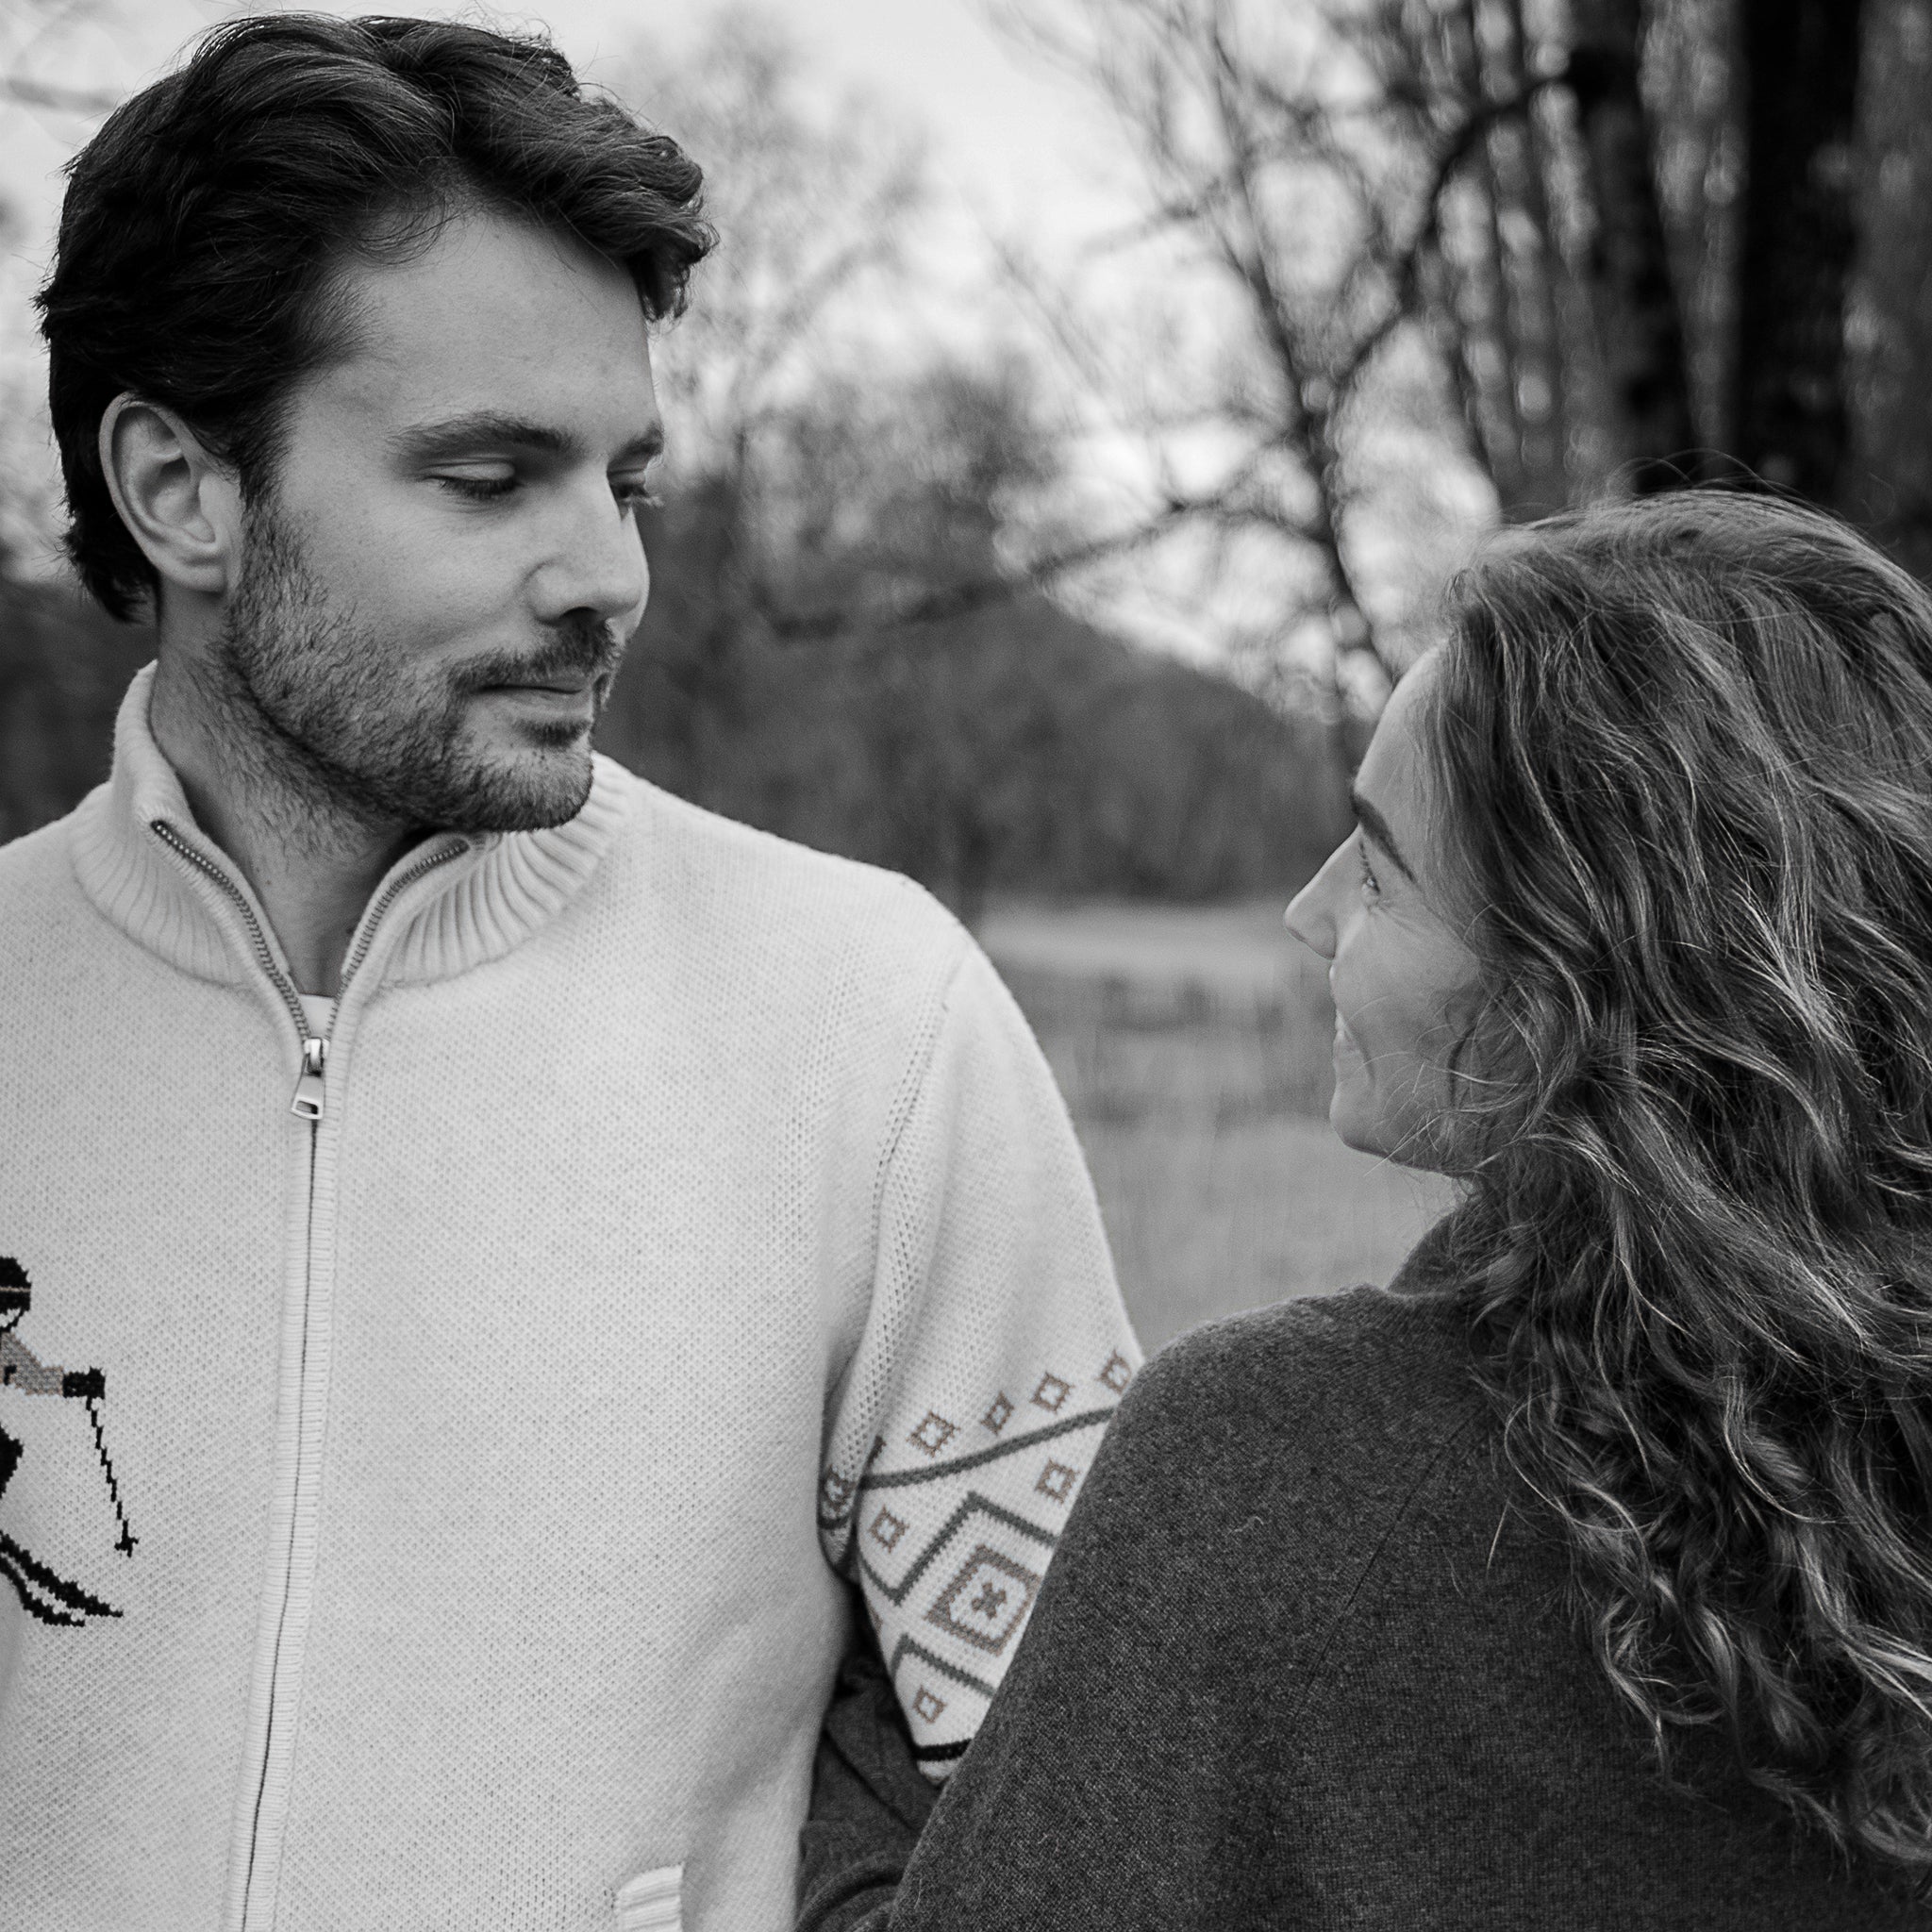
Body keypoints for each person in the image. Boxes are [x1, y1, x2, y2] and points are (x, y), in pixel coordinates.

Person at [0, 17, 1138, 1929]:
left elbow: (1088, 1802)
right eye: (491, 475)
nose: (606, 571)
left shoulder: (868, 1028)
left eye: (628, 483)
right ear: (178, 489)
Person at [846, 493, 1932, 1928]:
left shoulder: (1271, 1466)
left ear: (1573, 984)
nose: (1309, 910)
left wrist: (847, 1775)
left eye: (1382, 865)